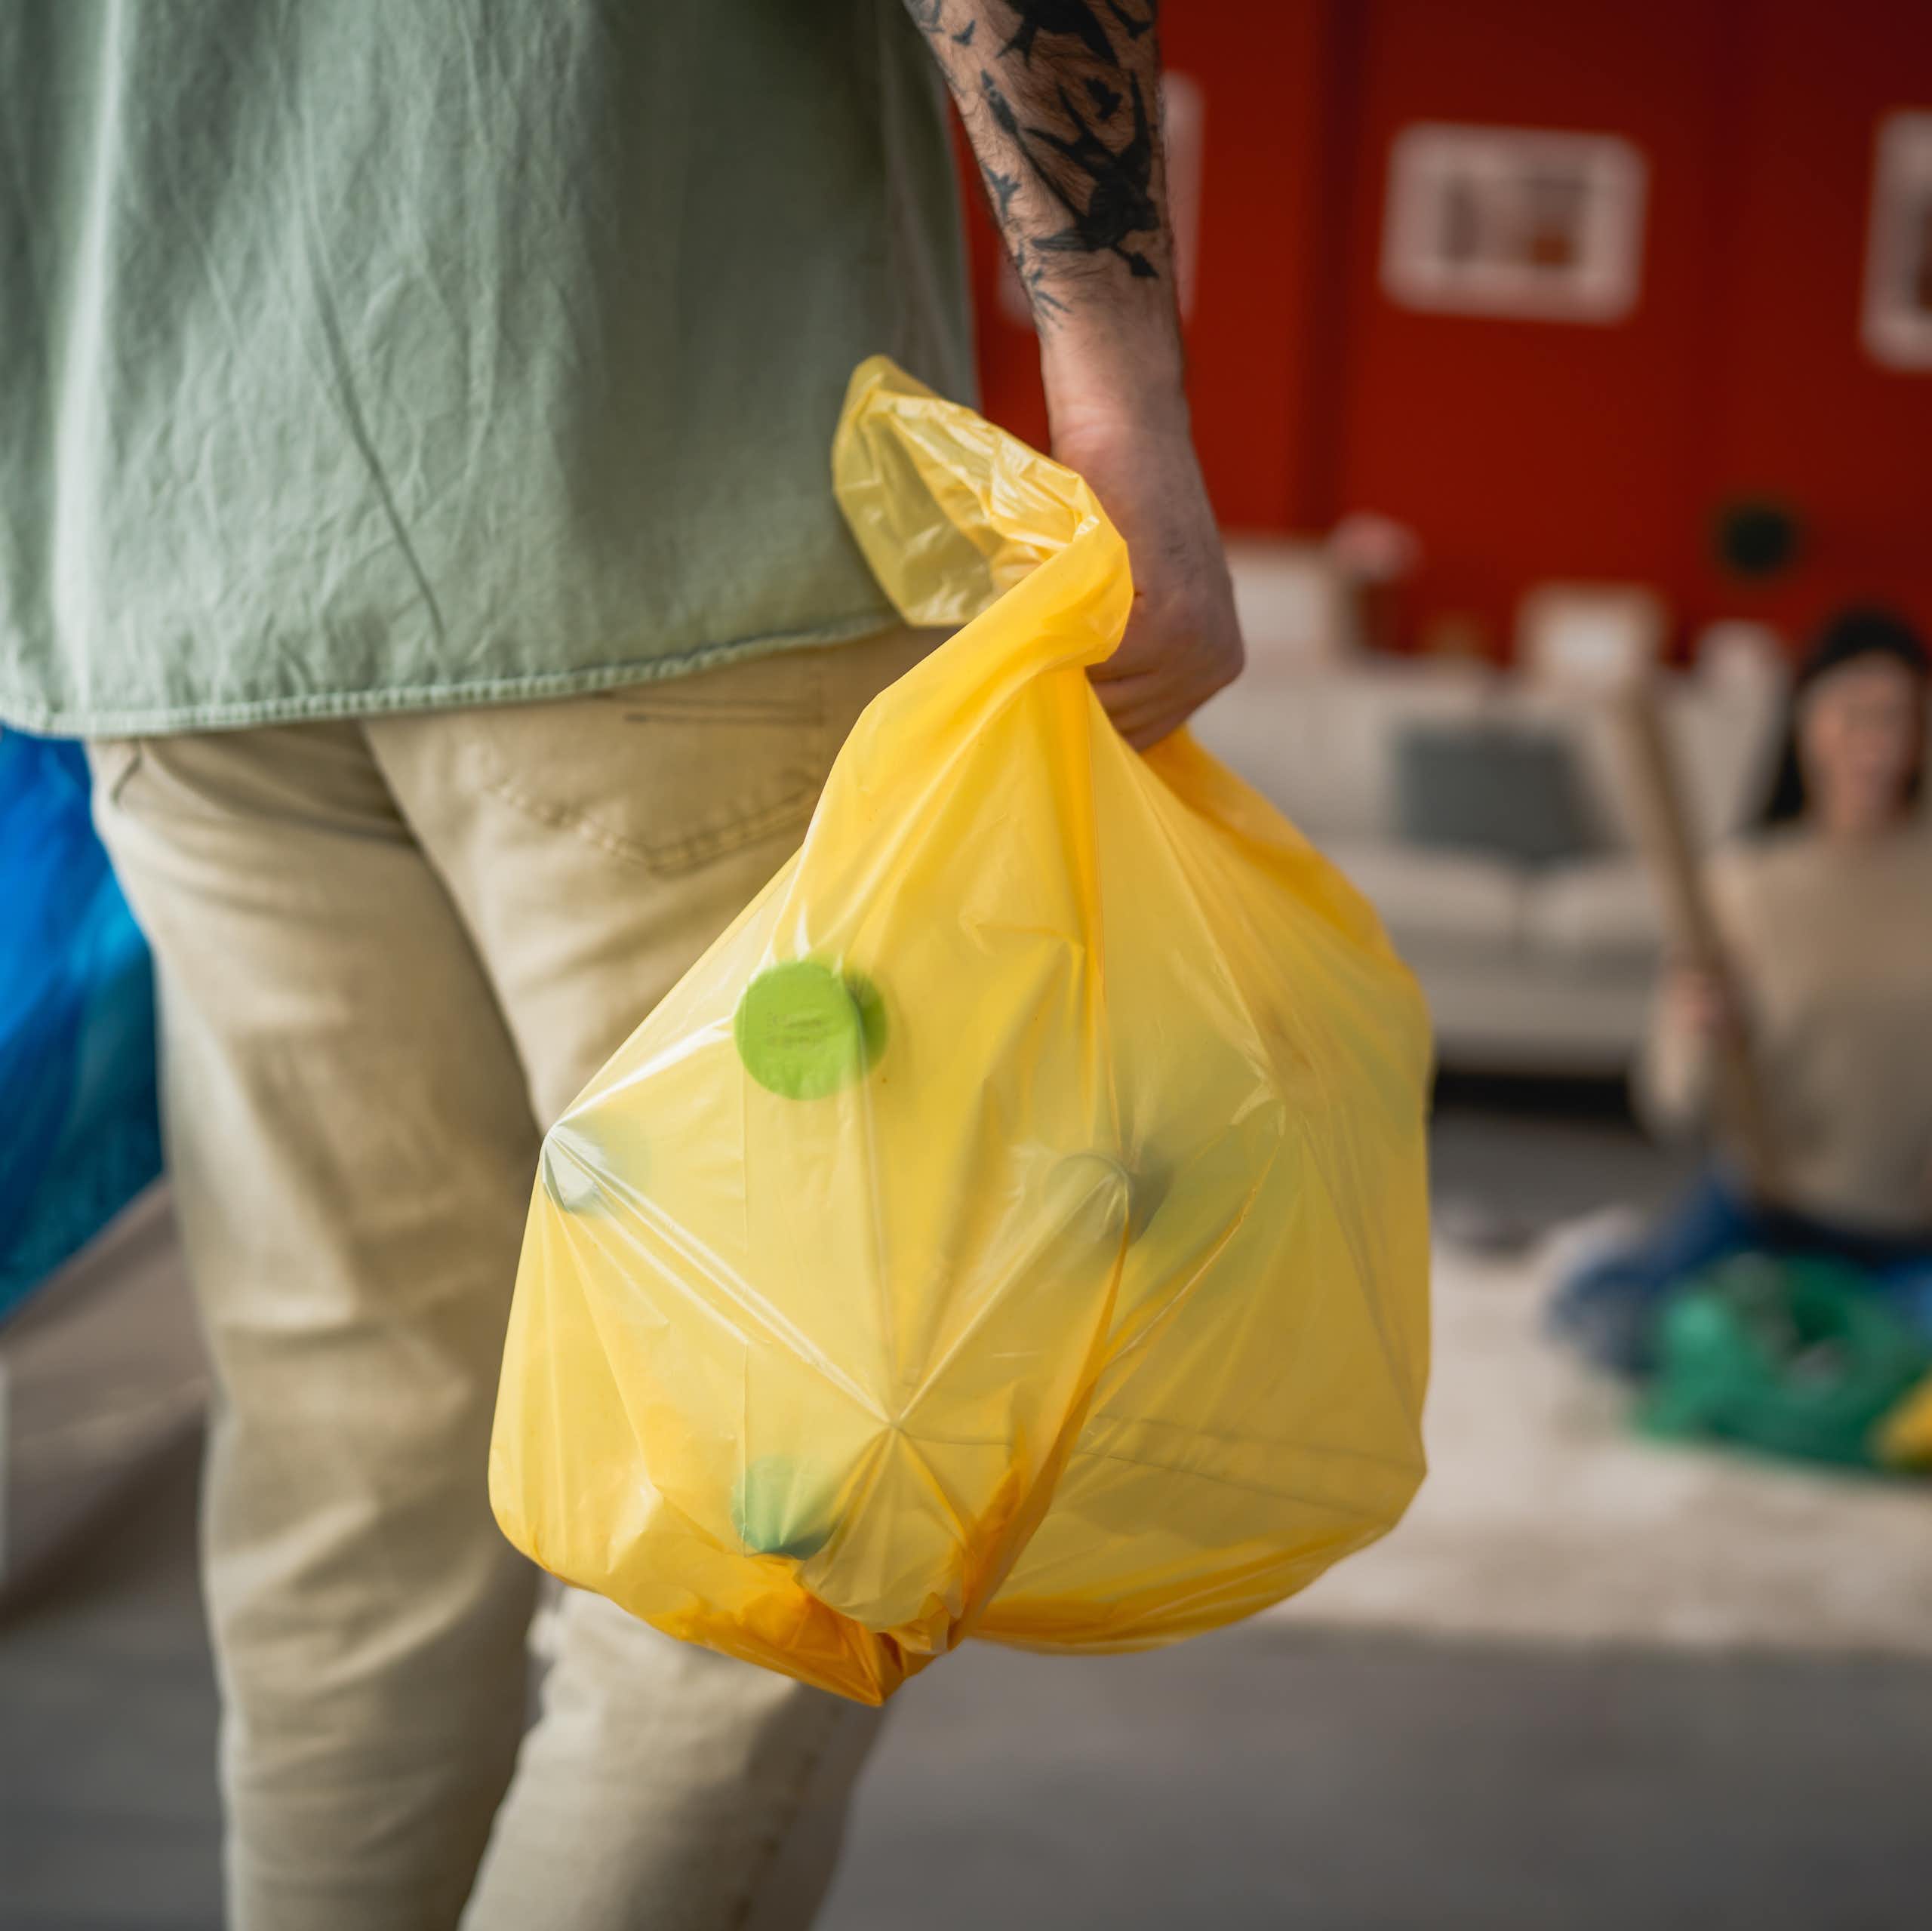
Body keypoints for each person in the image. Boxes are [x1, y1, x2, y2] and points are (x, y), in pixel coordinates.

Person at [0, 5, 1241, 1927]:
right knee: (784, 1517)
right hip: (671, 507)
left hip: (171, 560)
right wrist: (1120, 408)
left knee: (352, 1494)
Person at [1555, 608, 1932, 1373]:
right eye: (1850, 712)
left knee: (1887, 1373)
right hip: (1767, 1205)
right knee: (1624, 1333)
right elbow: (1667, 1104)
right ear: (1803, 723)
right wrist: (1699, 1034)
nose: (1875, 739)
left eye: (1897, 715)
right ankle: (1627, 1265)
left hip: (1908, 1227)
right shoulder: (1745, 885)